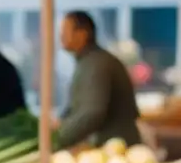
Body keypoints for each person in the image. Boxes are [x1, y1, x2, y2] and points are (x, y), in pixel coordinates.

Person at [54, 10, 141, 147]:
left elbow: (92, 113)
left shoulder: (97, 65)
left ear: (82, 34)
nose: (61, 36)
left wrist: (57, 139)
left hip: (115, 148)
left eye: (65, 30)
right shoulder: (89, 62)